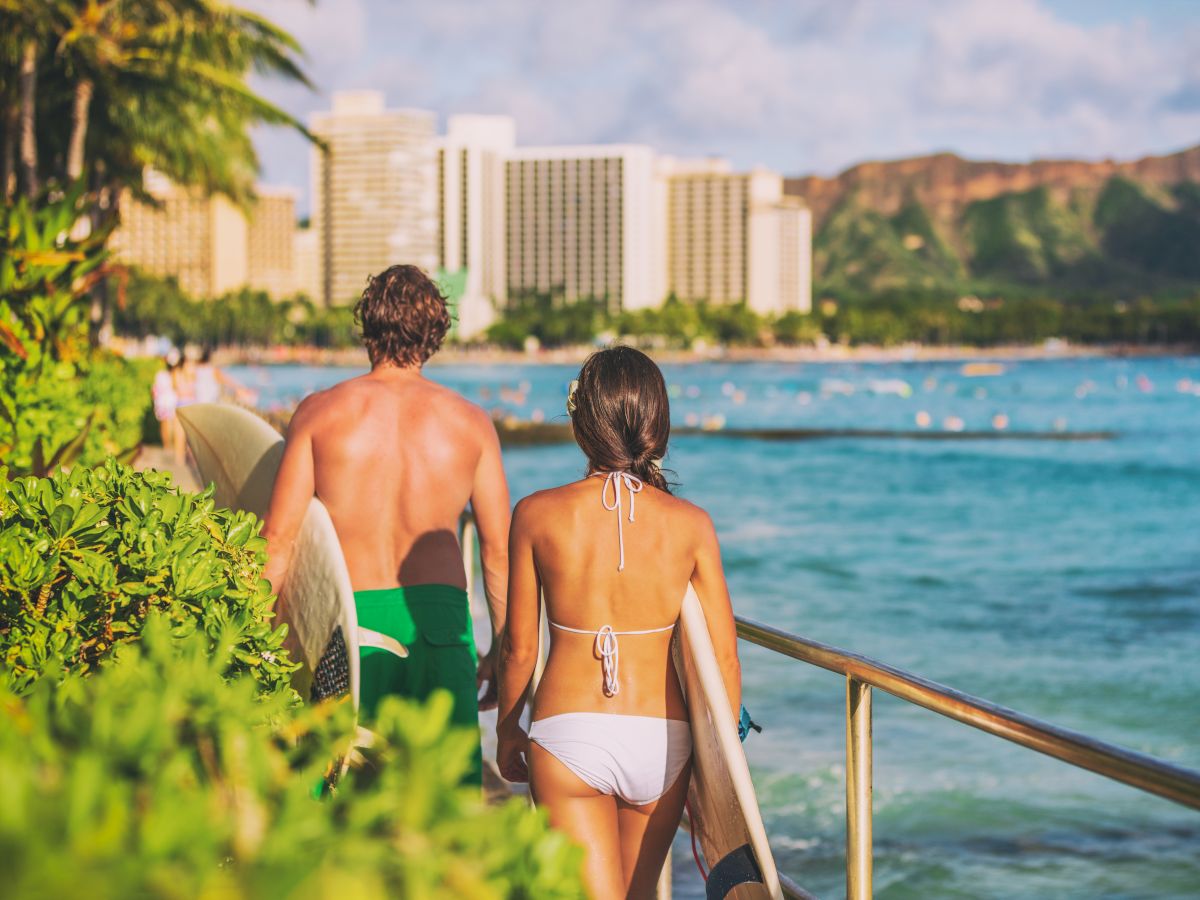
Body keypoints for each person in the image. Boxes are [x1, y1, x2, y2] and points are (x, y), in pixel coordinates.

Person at [496, 347, 741, 899]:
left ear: (582, 423)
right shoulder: (692, 525)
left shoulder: (535, 513)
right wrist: (719, 770)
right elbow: (724, 659)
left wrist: (508, 730)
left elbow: (518, 649)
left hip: (567, 738)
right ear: (658, 424)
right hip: (662, 740)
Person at [261, 265, 511, 785]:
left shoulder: (318, 414)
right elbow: (497, 553)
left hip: (348, 627)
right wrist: (503, 650)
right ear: (435, 334)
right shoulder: (471, 424)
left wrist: (257, 640)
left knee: (343, 797)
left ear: (366, 327)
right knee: (439, 810)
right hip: (438, 629)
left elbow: (278, 540)